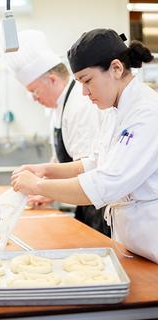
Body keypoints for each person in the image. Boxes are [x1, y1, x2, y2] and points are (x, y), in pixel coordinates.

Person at [11, 28, 158, 264]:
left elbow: (107, 182)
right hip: (133, 246)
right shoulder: (115, 110)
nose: (84, 92)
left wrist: (38, 186)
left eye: (87, 81)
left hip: (152, 243)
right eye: (79, 82)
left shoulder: (147, 113)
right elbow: (95, 163)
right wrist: (46, 170)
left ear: (116, 68)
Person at [4, 29, 109, 236]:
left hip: (98, 206)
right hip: (84, 203)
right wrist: (47, 190)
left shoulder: (80, 105)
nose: (34, 98)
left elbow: (88, 168)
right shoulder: (57, 108)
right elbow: (60, 161)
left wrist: (41, 186)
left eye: (34, 91)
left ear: (52, 79)